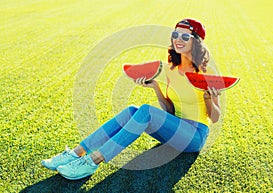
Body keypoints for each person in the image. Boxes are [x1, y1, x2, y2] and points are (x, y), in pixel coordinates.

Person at [41, 18, 221, 180]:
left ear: (196, 42)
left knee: (146, 111)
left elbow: (215, 118)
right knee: (132, 111)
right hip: (173, 130)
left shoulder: (208, 71)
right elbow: (169, 112)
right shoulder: (170, 69)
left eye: (185, 36)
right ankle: (76, 153)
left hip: (194, 136)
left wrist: (208, 98)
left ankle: (92, 162)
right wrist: (156, 88)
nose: (178, 39)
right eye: (175, 34)